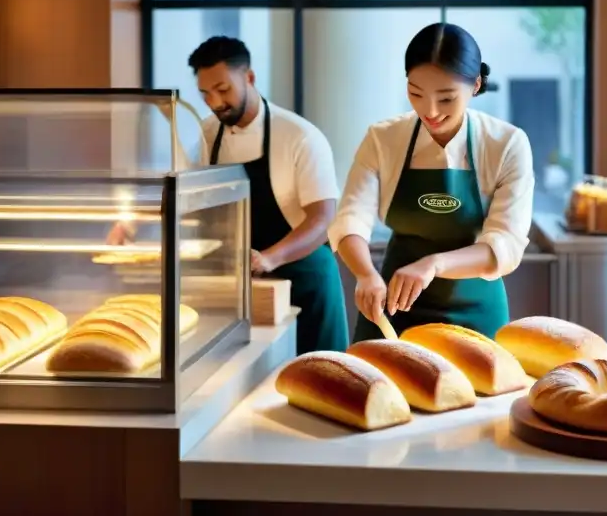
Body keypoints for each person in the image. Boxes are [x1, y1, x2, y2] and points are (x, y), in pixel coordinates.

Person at [115, 36, 349, 354]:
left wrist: (270, 257)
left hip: (303, 277)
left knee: (322, 381)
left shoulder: (300, 136)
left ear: (249, 77)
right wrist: (129, 225)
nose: (214, 102)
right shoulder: (209, 132)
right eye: (205, 94)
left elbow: (322, 219)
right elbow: (188, 191)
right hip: (242, 283)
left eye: (223, 90)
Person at [330, 23, 535, 342]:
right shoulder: (383, 139)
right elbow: (350, 219)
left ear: (476, 85)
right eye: (415, 93)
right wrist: (365, 273)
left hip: (475, 311)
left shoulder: (506, 144)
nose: (430, 111)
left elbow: (505, 245)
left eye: (447, 98)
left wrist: (434, 264)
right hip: (393, 309)